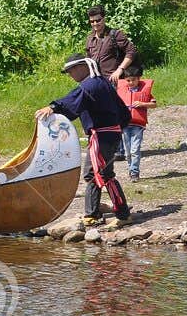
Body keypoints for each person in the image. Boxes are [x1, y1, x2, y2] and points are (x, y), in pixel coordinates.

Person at [36, 55, 134, 225]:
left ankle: (120, 214)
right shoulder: (102, 83)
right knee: (97, 173)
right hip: (110, 134)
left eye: (71, 70)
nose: (70, 74)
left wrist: (52, 107)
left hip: (102, 136)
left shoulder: (89, 85)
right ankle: (94, 213)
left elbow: (71, 101)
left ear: (82, 67)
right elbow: (123, 112)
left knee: (101, 174)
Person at [116, 61, 155, 181]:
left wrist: (143, 104)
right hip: (125, 125)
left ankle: (135, 172)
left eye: (133, 80)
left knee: (135, 150)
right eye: (128, 80)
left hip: (138, 126)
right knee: (127, 152)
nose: (130, 83)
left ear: (138, 79)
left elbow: (154, 104)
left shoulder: (144, 91)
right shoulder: (122, 91)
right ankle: (131, 168)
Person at [85, 5, 136, 81]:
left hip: (114, 81)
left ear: (104, 19)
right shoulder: (90, 39)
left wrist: (120, 69)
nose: (95, 23)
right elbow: (88, 60)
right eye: (92, 21)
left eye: (98, 20)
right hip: (97, 82)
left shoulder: (115, 34)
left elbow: (131, 51)